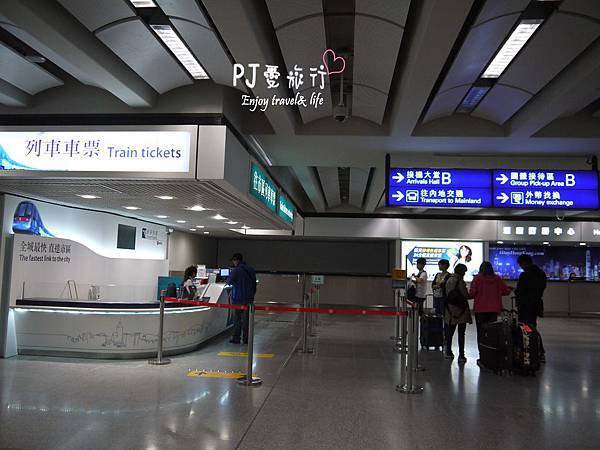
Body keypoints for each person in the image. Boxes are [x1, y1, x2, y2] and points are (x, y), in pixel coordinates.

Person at [469, 261, 512, 363]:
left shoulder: (477, 278)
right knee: (492, 332)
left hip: (480, 309)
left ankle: (482, 356)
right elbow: (505, 291)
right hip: (494, 309)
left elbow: (472, 293)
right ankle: (491, 355)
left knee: (481, 333)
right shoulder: (497, 279)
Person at [514, 254, 547, 362]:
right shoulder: (541, 274)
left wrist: (515, 292)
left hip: (525, 307)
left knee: (526, 328)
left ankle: (530, 351)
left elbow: (520, 291)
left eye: (520, 264)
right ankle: (538, 352)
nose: (520, 266)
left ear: (524, 263)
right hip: (536, 305)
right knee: (532, 327)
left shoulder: (525, 275)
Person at [226, 253, 257, 344]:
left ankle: (236, 337)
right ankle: (246, 338)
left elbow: (229, 282)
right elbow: (254, 284)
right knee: (247, 320)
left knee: (237, 319)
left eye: (233, 260)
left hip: (238, 299)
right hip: (249, 299)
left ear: (236, 260)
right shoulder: (251, 269)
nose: (233, 262)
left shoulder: (236, 270)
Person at [444, 263, 472, 363]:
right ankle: (461, 355)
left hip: (450, 309)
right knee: (461, 333)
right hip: (461, 310)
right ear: (462, 272)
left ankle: (448, 351)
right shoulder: (459, 281)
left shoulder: (448, 279)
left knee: (449, 333)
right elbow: (466, 295)